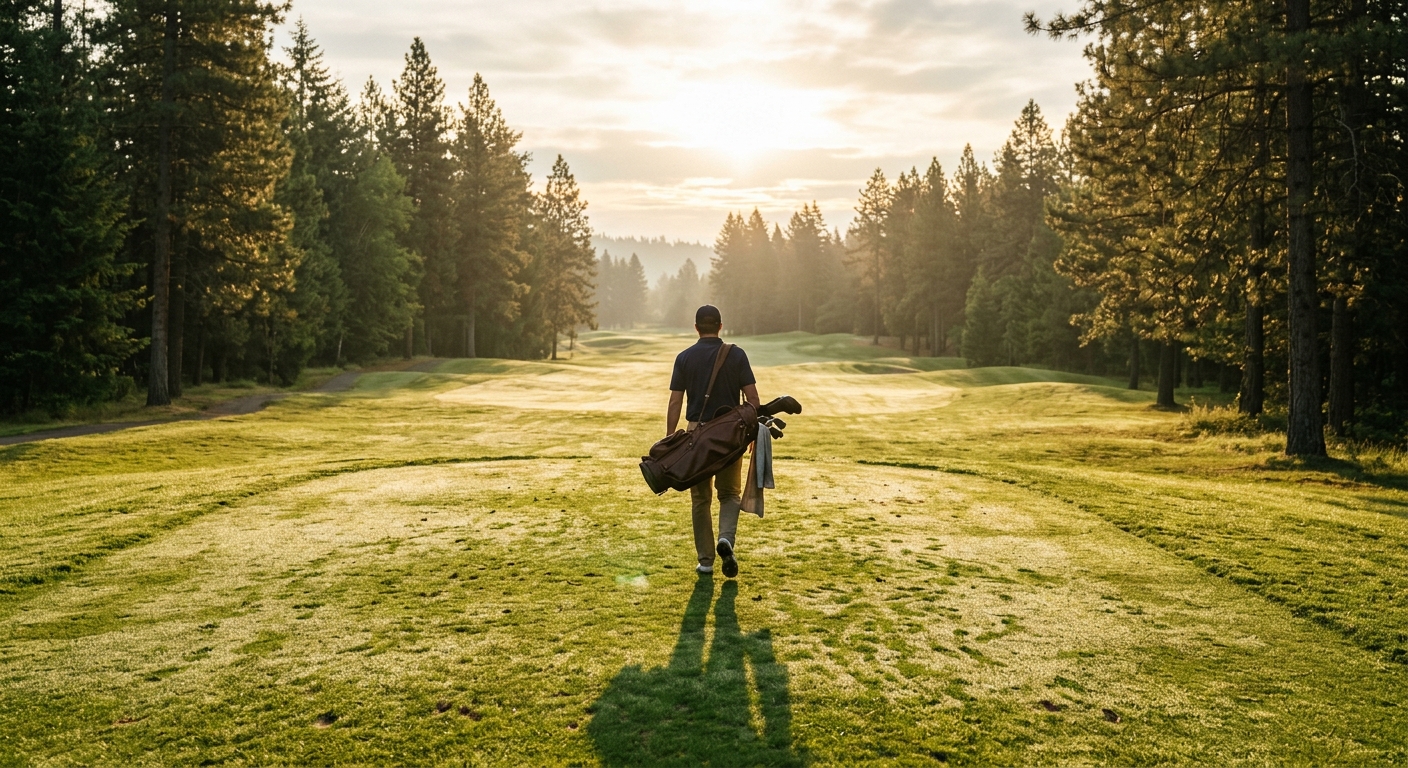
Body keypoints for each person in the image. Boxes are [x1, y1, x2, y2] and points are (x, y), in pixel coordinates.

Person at [666, 305, 760, 578]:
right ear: (720, 326)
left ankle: (706, 561)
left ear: (696, 327)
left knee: (700, 499)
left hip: (695, 436)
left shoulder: (684, 358)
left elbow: (675, 400)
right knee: (729, 494)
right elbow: (752, 399)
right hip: (730, 435)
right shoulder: (736, 354)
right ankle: (726, 540)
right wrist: (751, 433)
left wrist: (671, 437)